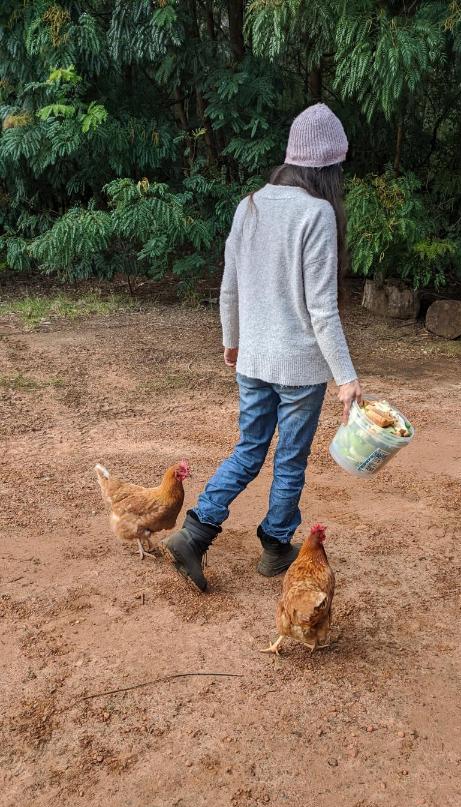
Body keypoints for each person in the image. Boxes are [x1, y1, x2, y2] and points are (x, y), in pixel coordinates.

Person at [163, 103, 362, 591]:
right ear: (329, 167)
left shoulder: (249, 203)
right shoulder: (316, 213)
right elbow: (321, 310)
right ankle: (275, 546)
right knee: (290, 460)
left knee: (249, 449)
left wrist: (232, 341)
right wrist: (347, 377)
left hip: (252, 358)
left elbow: (229, 286)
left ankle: (195, 532)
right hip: (299, 368)